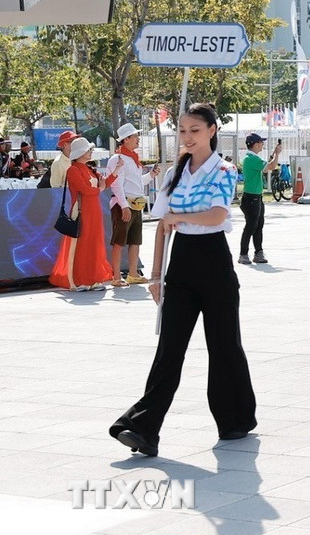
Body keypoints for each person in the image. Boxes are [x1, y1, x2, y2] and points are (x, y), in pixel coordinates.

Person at [109, 103, 256, 457]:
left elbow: (219, 214)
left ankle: (235, 418)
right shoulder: (174, 174)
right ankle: (142, 427)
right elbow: (161, 226)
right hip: (181, 265)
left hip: (215, 263)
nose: (187, 137)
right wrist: (156, 276)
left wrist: (178, 215)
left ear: (212, 130)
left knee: (224, 345)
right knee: (169, 348)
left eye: (194, 130)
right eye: (183, 131)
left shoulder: (224, 169)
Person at [49, 138, 120, 292]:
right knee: (82, 244)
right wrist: (100, 189)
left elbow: (103, 184)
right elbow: (85, 190)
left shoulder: (89, 169)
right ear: (80, 152)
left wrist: (115, 172)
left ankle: (93, 279)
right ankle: (79, 280)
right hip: (81, 210)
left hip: (94, 210)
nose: (90, 152)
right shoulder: (73, 170)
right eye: (88, 150)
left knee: (94, 243)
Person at [106, 123, 162, 287]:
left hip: (135, 204)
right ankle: (116, 276)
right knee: (119, 241)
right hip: (123, 204)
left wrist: (150, 175)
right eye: (135, 136)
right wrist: (123, 205)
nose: (138, 139)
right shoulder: (118, 159)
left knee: (135, 240)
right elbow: (117, 184)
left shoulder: (133, 159)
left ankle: (132, 273)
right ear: (126, 139)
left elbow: (137, 182)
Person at [238, 133, 281, 265]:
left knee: (258, 225)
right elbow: (271, 167)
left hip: (256, 197)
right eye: (261, 142)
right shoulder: (251, 158)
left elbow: (266, 165)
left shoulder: (252, 158)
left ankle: (258, 252)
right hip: (251, 198)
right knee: (251, 226)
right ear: (255, 144)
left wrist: (273, 154)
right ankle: (244, 254)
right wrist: (277, 154)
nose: (262, 144)